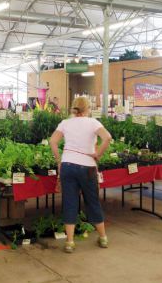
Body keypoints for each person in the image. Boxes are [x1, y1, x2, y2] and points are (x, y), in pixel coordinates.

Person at [49, 96, 112, 253]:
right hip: (87, 167)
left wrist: (59, 160)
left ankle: (70, 242)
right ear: (87, 109)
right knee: (92, 202)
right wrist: (97, 154)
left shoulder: (65, 123)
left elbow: (52, 141)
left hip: (68, 166)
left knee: (69, 202)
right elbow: (107, 137)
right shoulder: (93, 123)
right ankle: (103, 238)